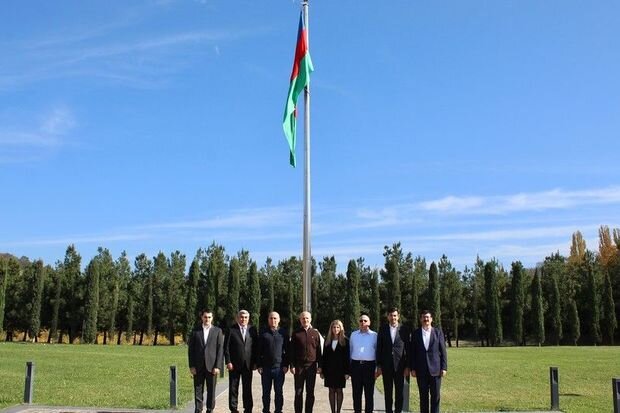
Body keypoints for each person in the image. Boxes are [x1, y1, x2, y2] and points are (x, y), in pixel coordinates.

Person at [410, 310, 447, 413]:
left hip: (436, 370)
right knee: (423, 397)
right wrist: (413, 368)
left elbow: (443, 351)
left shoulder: (438, 332)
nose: (426, 319)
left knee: (435, 396)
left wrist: (444, 367)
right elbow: (413, 352)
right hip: (421, 370)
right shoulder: (416, 333)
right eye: (423, 317)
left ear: (431, 319)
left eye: (428, 317)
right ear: (420, 319)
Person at [188, 309, 224, 413]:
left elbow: (220, 349)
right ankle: (198, 409)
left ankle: (209, 409)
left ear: (212, 318)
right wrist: (192, 366)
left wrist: (218, 366)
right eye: (205, 317)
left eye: (209, 317)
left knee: (211, 390)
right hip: (198, 366)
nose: (207, 319)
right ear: (202, 318)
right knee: (198, 390)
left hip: (212, 366)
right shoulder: (195, 331)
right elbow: (191, 350)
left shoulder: (218, 331)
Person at [376, 307, 410, 413]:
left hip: (400, 366)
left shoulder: (404, 329)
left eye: (395, 315)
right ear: (388, 317)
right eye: (391, 315)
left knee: (399, 393)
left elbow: (408, 349)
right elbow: (379, 348)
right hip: (386, 366)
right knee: (388, 392)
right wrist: (379, 365)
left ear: (398, 316)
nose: (393, 317)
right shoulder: (383, 329)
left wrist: (408, 366)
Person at [224, 309, 258, 413]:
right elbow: (226, 347)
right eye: (241, 317)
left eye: (245, 317)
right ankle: (233, 408)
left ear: (248, 319)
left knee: (247, 388)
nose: (243, 319)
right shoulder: (231, 329)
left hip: (248, 364)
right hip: (234, 364)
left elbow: (256, 347)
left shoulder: (252, 329)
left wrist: (255, 362)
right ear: (237, 318)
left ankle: (248, 408)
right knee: (233, 388)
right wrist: (228, 361)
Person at [289, 311, 322, 413]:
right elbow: (291, 351)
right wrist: (292, 365)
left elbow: (319, 351)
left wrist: (320, 365)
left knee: (310, 392)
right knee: (298, 392)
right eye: (303, 318)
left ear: (310, 319)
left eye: (307, 318)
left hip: (311, 366)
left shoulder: (315, 333)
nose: (305, 320)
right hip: (299, 366)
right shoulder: (296, 333)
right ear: (300, 320)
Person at [257, 311, 289, 413]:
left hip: (279, 368)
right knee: (266, 392)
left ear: (278, 320)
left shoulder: (283, 333)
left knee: (279, 392)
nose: (273, 320)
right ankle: (266, 410)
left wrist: (285, 365)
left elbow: (287, 350)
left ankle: (278, 410)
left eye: (275, 318)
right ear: (268, 320)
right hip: (266, 368)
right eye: (271, 318)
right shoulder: (263, 332)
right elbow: (258, 350)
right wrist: (259, 365)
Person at [349, 312, 378, 413]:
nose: (363, 322)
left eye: (365, 320)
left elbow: (377, 352)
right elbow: (350, 351)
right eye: (361, 320)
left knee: (369, 394)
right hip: (356, 366)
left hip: (369, 367)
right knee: (356, 393)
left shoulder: (374, 335)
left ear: (369, 322)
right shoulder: (353, 335)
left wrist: (377, 368)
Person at [320, 319, 350, 413]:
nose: (336, 329)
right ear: (331, 328)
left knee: (339, 390)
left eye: (338, 327)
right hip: (329, 370)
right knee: (331, 391)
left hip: (341, 371)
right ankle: (333, 411)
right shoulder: (327, 340)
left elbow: (347, 357)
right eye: (334, 327)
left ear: (341, 328)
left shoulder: (345, 341)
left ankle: (338, 411)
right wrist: (322, 371)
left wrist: (347, 372)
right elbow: (324, 356)